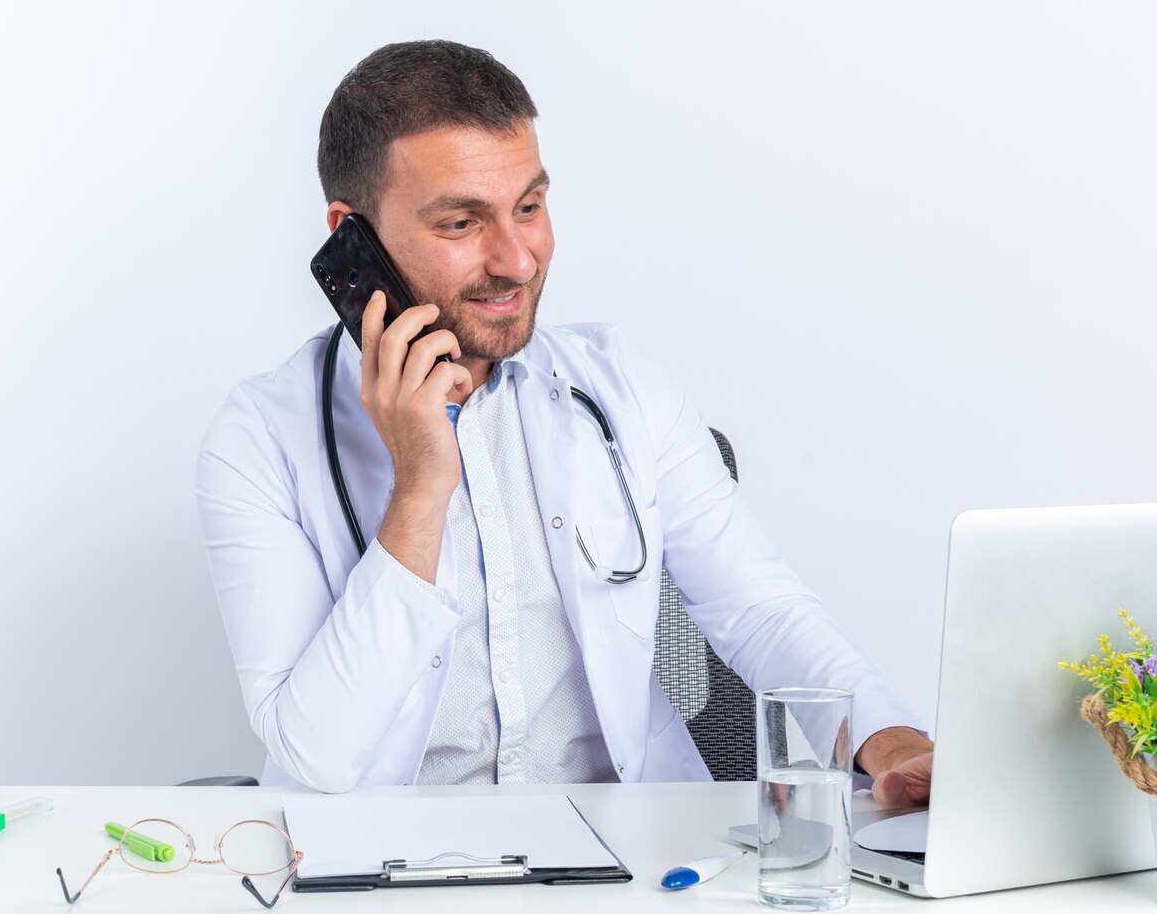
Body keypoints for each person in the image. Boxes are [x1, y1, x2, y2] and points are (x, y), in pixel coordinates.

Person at [196, 40, 933, 804]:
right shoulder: (261, 439)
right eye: (461, 222)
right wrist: (419, 491)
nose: (517, 260)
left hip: (629, 855)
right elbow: (317, 753)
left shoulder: (624, 391)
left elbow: (760, 610)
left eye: (529, 207)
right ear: (354, 236)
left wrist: (893, 740)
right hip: (388, 865)